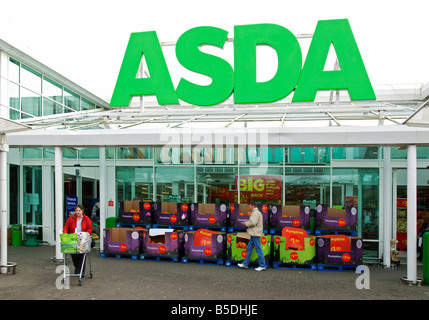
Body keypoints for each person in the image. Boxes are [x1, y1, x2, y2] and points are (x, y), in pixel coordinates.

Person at [63, 204, 93, 275]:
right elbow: (66, 226)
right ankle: (77, 267)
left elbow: (90, 228)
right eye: (76, 210)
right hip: (74, 238)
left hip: (83, 239)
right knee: (73, 254)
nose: (78, 212)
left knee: (82, 254)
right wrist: (65, 234)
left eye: (79, 210)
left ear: (82, 211)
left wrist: (87, 233)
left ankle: (81, 271)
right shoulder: (71, 218)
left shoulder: (86, 218)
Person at [238, 202, 267, 271]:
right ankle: (245, 264)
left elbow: (253, 223)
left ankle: (262, 265)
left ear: (252, 206)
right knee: (249, 248)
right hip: (254, 233)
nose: (249, 208)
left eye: (249, 206)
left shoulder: (255, 213)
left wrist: (245, 223)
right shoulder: (256, 212)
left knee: (258, 249)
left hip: (255, 233)